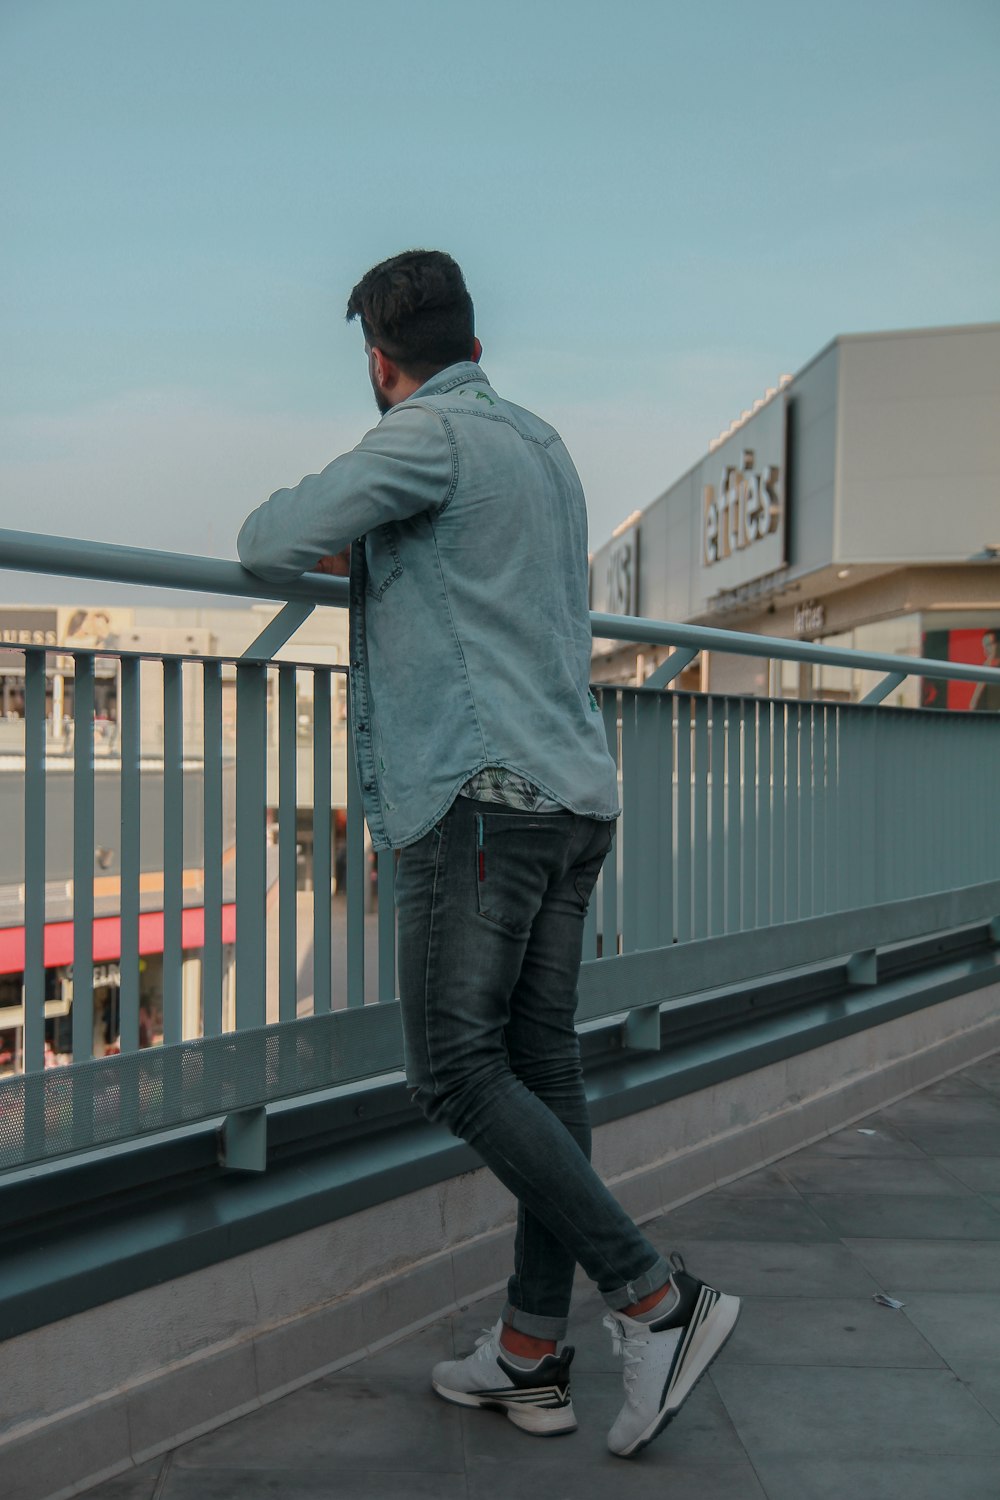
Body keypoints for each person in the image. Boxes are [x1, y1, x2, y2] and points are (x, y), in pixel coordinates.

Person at [237, 249, 739, 1458]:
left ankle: (654, 1299)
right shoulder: (544, 443)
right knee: (539, 1070)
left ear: (379, 360)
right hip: (572, 795)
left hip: (481, 799)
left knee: (455, 1072)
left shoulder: (425, 437)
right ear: (473, 338)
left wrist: (344, 544)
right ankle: (527, 1355)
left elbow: (267, 539)